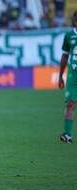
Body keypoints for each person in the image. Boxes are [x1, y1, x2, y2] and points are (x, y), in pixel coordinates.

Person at [58, 11, 77, 144]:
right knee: (70, 104)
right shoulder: (69, 35)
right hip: (73, 74)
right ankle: (67, 135)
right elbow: (65, 56)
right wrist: (60, 76)